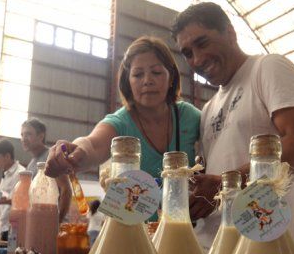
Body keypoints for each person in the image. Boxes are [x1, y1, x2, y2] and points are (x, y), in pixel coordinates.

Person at [172, 2, 294, 251]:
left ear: (230, 33)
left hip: (266, 246)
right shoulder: (210, 107)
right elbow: (216, 176)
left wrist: (224, 184)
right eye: (187, 53)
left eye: (203, 43)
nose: (197, 59)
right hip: (215, 247)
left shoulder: (267, 68)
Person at [44, 36, 202, 181]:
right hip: (129, 213)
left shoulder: (189, 116)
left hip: (182, 213)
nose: (147, 80)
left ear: (171, 78)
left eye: (156, 72)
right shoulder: (120, 123)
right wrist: (75, 151)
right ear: (128, 82)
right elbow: (92, 144)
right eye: (138, 75)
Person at [20, 117, 72, 221]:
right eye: (22, 135)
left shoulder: (51, 156)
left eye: (28, 134)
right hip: (38, 221)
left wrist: (58, 222)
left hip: (53, 224)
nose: (24, 138)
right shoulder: (31, 164)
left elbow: (66, 190)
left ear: (41, 136)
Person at [0, 139, 25, 241]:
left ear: (8, 156)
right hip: (3, 226)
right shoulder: (6, 175)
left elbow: (25, 202)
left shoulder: (21, 173)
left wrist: (7, 200)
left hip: (14, 228)